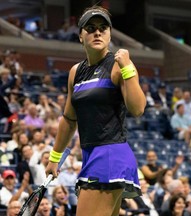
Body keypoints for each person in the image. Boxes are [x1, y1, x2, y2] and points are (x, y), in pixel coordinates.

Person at [45, 5, 146, 216]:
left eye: (103, 28)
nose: (97, 32)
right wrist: (54, 158)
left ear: (109, 34)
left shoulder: (119, 66)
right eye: (90, 28)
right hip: (91, 155)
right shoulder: (76, 72)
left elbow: (137, 108)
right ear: (81, 36)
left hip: (111, 155)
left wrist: (127, 67)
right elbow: (69, 119)